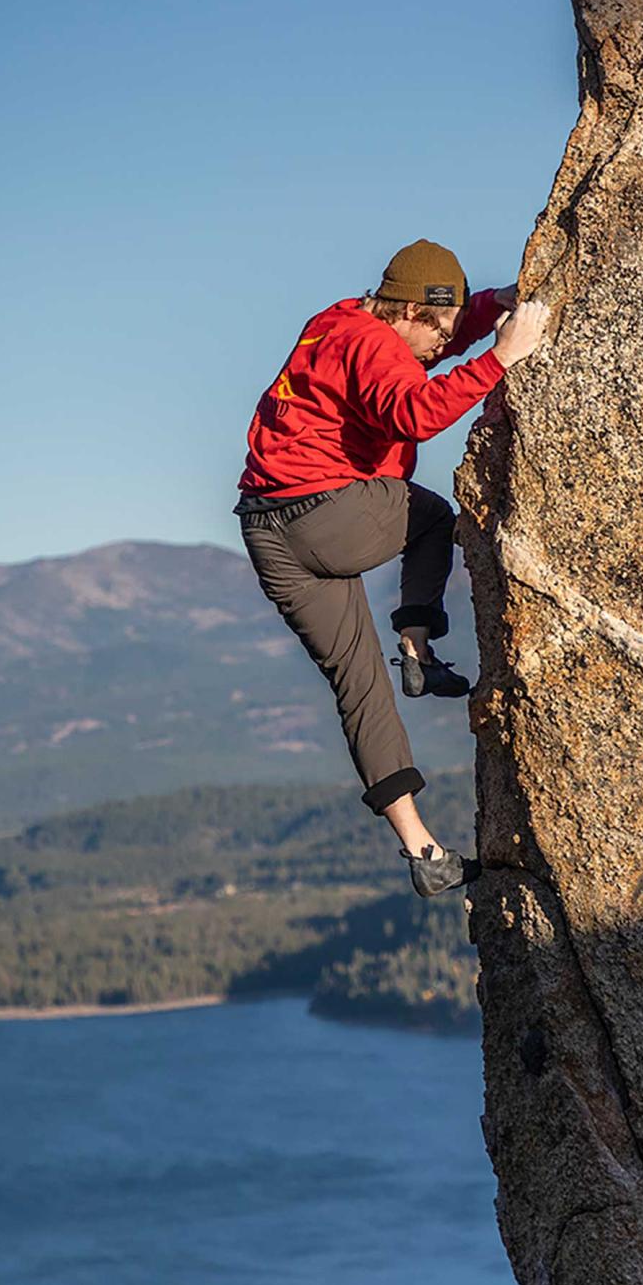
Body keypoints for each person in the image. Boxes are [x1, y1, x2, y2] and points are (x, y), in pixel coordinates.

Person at [236, 239, 549, 896]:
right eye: (436, 328)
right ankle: (415, 640)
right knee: (434, 516)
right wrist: (501, 356)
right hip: (323, 515)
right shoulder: (376, 345)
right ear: (408, 309)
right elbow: (416, 412)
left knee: (357, 685)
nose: (443, 342)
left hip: (266, 530)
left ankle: (424, 853)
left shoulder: (338, 319)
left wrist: (496, 304)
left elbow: (447, 327)